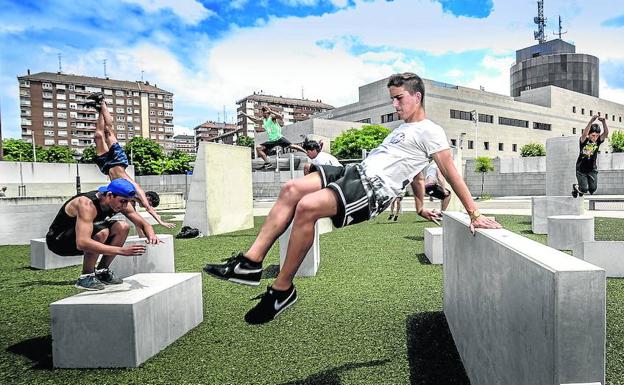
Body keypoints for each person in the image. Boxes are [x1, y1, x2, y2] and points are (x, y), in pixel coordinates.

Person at [203, 72, 501, 325]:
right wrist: (421, 206)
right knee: (291, 190)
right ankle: (249, 263)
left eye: (399, 98)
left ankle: (282, 290)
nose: (394, 105)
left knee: (306, 208)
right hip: (355, 172)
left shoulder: (431, 131)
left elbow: (450, 173)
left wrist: (474, 213)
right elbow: (416, 173)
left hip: (373, 189)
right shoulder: (403, 130)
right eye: (392, 99)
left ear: (417, 97)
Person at [46, 178, 160, 290]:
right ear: (110, 195)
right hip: (59, 241)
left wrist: (151, 235)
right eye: (123, 201)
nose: (125, 206)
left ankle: (102, 271)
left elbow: (144, 224)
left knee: (123, 227)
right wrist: (122, 251)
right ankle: (86, 276)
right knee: (102, 232)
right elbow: (82, 243)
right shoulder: (86, 204)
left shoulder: (120, 200)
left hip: (81, 237)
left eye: (127, 202)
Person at [85, 93, 175, 230]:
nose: (144, 204)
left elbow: (135, 215)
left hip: (106, 167)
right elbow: (150, 209)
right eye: (147, 202)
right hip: (117, 161)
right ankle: (102, 102)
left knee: (98, 136)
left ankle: (99, 110)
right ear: (148, 198)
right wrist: (160, 221)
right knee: (108, 132)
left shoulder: (127, 199)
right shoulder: (136, 191)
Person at [242, 106, 306, 169]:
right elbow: (255, 120)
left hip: (279, 138)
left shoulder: (272, 117)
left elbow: (280, 116)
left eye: (262, 112)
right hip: (271, 141)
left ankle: (306, 152)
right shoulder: (263, 120)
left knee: (292, 146)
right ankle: (268, 163)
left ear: (266, 112)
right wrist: (246, 115)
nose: (261, 114)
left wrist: (271, 111)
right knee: (258, 148)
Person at [572, 114, 609, 197]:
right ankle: (576, 187)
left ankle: (580, 189)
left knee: (592, 189)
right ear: (589, 135)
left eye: (596, 136)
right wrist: (591, 121)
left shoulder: (598, 141)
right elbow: (584, 133)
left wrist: (603, 122)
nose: (594, 138)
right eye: (592, 135)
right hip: (581, 169)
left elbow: (606, 133)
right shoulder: (584, 140)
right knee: (584, 189)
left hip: (592, 169)